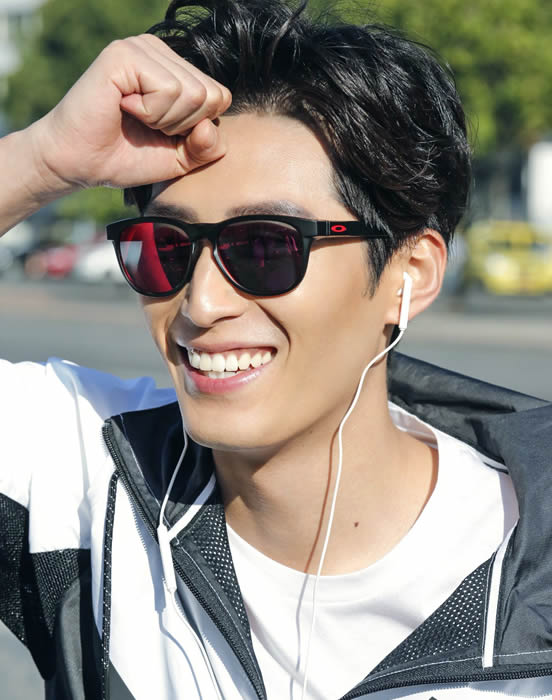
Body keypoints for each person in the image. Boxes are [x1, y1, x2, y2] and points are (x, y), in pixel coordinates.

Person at [0, 1, 550, 698]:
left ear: (409, 274)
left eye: (265, 247)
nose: (201, 303)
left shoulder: (531, 573)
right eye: (164, 248)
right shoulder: (86, 474)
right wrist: (42, 158)